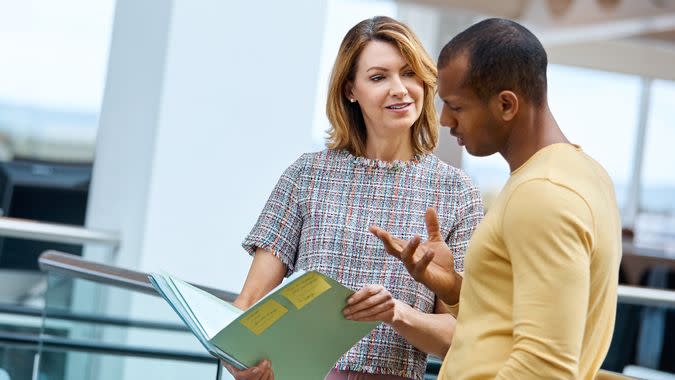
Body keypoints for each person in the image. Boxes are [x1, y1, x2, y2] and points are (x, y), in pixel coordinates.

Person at [225, 16, 483, 380]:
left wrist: (396, 312)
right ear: (350, 89)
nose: (400, 89)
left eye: (409, 73)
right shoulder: (307, 175)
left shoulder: (456, 192)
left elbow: (459, 336)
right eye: (379, 77)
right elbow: (248, 304)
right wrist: (237, 361)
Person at [371, 18, 622, 379]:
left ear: (506, 105)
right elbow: (512, 315)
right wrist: (454, 287)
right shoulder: (581, 175)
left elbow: (545, 368)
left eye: (456, 107)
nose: (444, 120)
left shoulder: (543, 194)